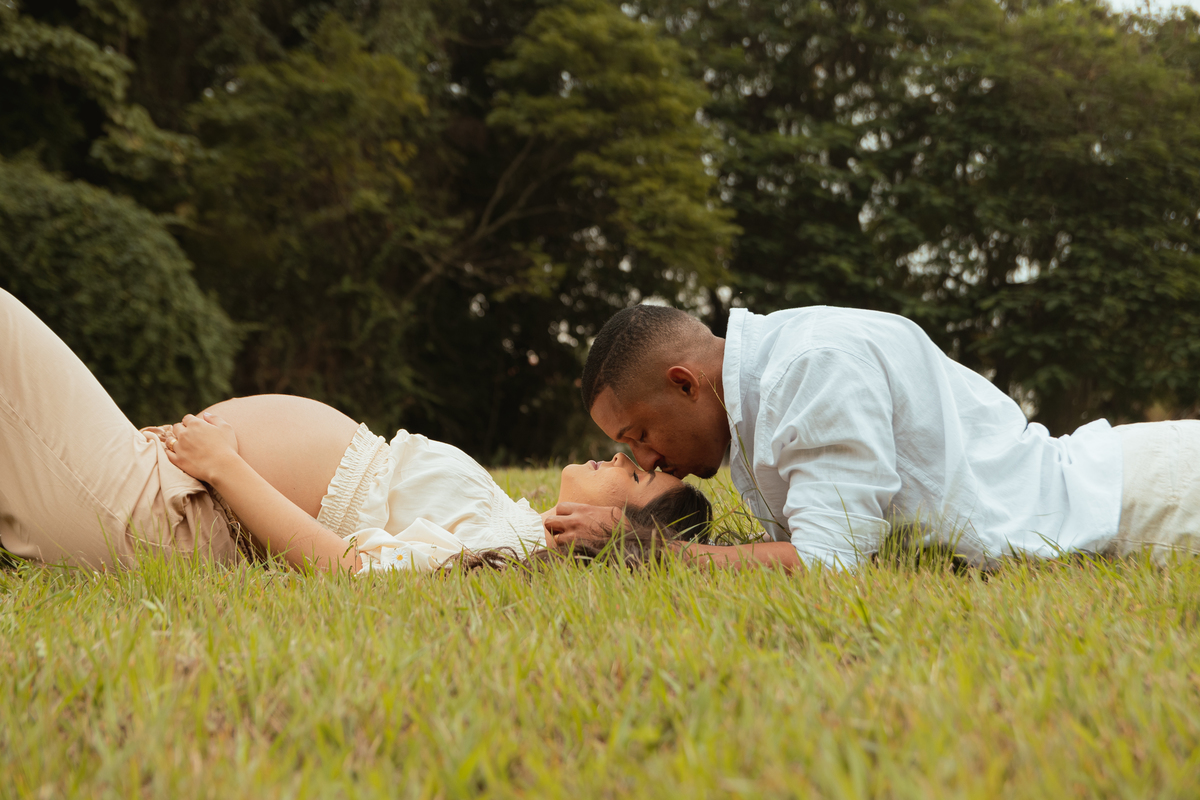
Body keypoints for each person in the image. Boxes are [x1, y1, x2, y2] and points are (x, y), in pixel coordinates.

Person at [0, 288, 710, 573]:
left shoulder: (502, 550)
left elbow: (351, 571)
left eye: (638, 476)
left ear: (615, 529)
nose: (625, 456)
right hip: (163, 489)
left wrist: (222, 464)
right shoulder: (511, 518)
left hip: (162, 516)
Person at [548, 303, 1200, 571]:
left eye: (639, 434)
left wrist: (651, 552)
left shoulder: (809, 369)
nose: (645, 457)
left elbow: (829, 563)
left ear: (684, 383)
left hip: (1145, 501)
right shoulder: (759, 397)